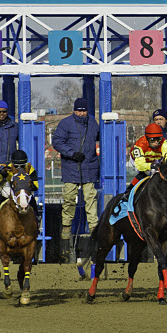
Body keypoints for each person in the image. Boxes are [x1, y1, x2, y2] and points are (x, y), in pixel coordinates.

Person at [52, 98, 100, 263]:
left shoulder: (93, 123)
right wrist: (71, 153)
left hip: (89, 168)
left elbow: (102, 137)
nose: (81, 113)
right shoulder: (65, 123)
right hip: (72, 168)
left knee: (91, 200)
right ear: (74, 110)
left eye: (84, 110)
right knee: (69, 201)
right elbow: (57, 141)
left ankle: (95, 233)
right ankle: (65, 237)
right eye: (79, 110)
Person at [0, 149, 39, 218]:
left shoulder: (31, 170)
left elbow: (36, 186)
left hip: (24, 189)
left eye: (22, 166)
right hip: (11, 188)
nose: (19, 169)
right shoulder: (7, 168)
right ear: (12, 164)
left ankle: (37, 216)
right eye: (16, 166)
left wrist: (30, 185)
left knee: (31, 199)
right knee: (3, 194)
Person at [0, 100, 18, 204]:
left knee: (18, 197)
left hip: (10, 167)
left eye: (4, 111)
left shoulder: (15, 126)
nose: (1, 114)